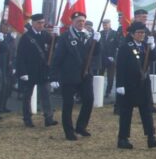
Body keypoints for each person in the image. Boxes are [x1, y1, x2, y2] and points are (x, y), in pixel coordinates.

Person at [50, 12, 98, 140]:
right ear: (72, 22)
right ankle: (69, 131)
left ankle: (81, 127)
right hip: (69, 75)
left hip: (85, 74)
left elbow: (96, 53)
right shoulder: (65, 37)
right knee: (68, 104)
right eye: (78, 21)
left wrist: (97, 42)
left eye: (83, 21)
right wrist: (53, 76)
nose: (81, 23)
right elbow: (57, 57)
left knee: (89, 99)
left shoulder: (89, 36)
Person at [116, 21, 156, 149]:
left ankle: (151, 136)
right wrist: (120, 84)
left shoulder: (145, 45)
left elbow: (154, 57)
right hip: (129, 83)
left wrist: (152, 46)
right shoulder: (126, 47)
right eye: (139, 32)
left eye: (143, 33)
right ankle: (123, 138)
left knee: (147, 111)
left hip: (143, 83)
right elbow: (120, 66)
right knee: (126, 112)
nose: (141, 35)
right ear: (132, 34)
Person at [16, 14, 57, 128]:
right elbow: (20, 56)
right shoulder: (26, 37)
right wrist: (22, 72)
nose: (41, 25)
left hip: (43, 70)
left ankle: (49, 118)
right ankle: (27, 118)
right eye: (39, 23)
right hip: (30, 71)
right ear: (33, 23)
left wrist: (56, 36)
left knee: (46, 95)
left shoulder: (45, 35)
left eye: (42, 22)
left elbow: (53, 47)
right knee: (27, 96)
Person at [99, 18, 120, 102]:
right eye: (103, 24)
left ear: (110, 24)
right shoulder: (100, 33)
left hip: (111, 59)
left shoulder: (115, 33)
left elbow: (117, 45)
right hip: (102, 58)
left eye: (106, 24)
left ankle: (108, 92)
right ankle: (99, 91)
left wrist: (113, 57)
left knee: (110, 77)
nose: (104, 26)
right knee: (100, 75)